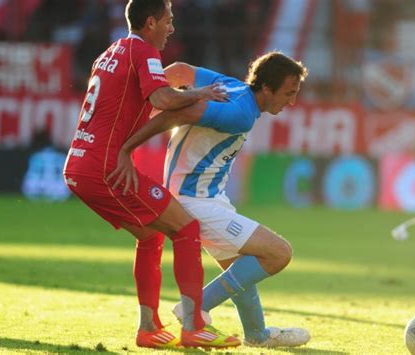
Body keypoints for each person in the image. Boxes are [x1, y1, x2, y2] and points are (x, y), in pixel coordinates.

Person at [63, 0, 241, 349]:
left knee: (150, 235)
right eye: (168, 20)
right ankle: (193, 326)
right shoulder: (144, 51)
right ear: (150, 22)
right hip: (105, 168)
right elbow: (161, 97)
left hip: (80, 164)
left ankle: (148, 327)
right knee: (186, 227)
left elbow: (142, 102)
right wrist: (201, 93)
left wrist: (125, 147)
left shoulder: (112, 51)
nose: (172, 28)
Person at [109, 52, 311, 347]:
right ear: (267, 88)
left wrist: (142, 98)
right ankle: (195, 310)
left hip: (208, 199)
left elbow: (179, 70)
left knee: (240, 269)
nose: (291, 101)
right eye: (288, 93)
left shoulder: (230, 86)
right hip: (193, 202)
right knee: (279, 253)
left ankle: (258, 335)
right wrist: (130, 142)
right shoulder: (241, 113)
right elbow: (182, 114)